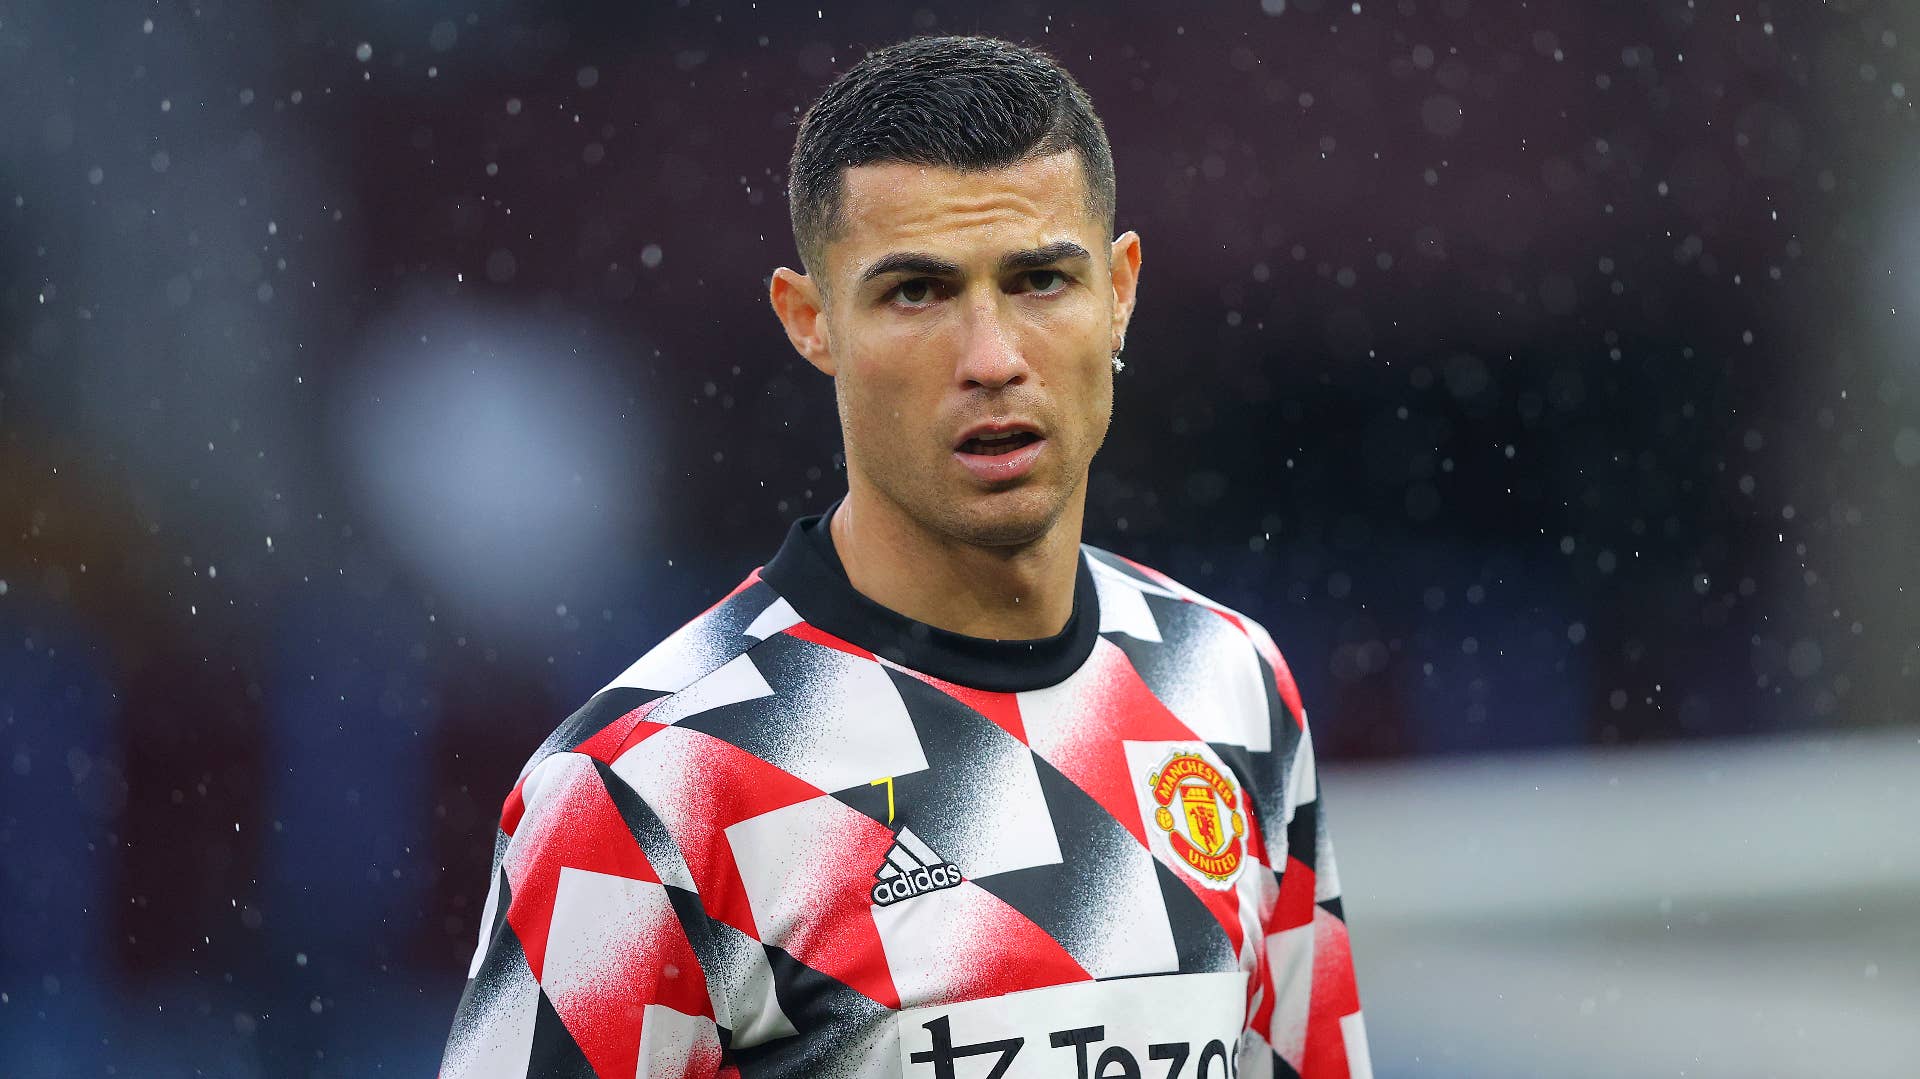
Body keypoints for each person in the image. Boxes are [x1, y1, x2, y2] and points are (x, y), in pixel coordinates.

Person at [439, 34, 1368, 1079]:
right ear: (810, 320)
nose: (991, 357)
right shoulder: (651, 785)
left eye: (1039, 280)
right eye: (917, 293)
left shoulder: (1229, 681)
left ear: (1120, 289)